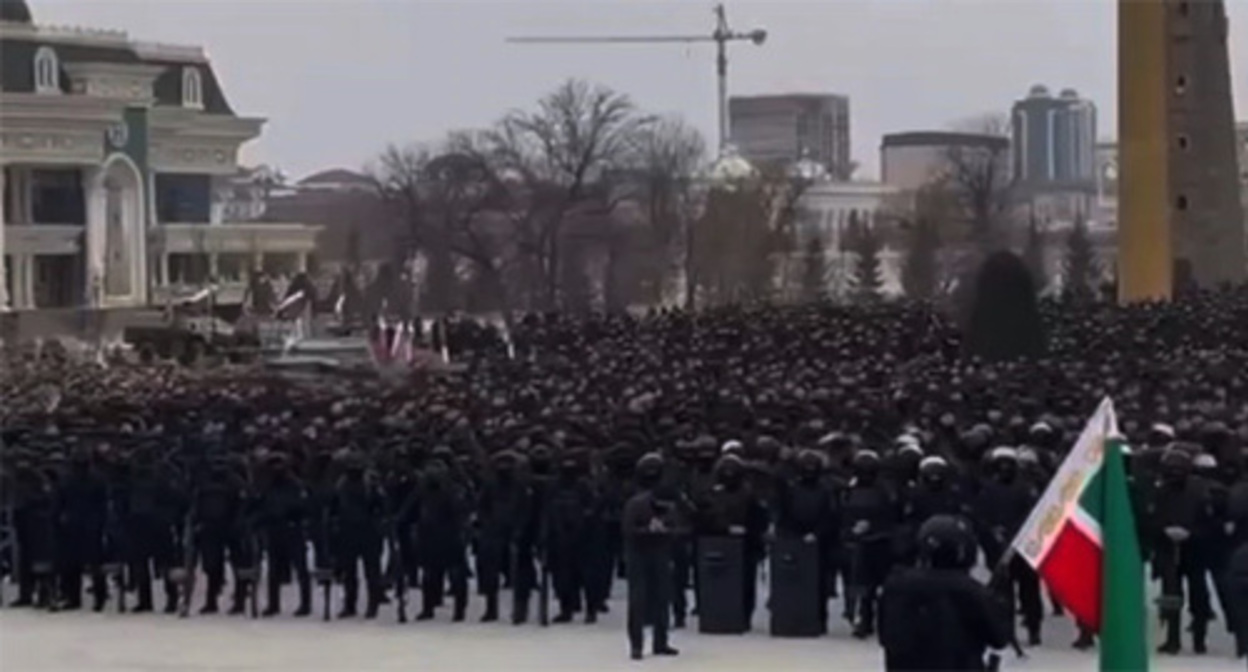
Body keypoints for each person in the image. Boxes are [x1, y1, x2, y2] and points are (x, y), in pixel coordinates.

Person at [879, 514, 1011, 671]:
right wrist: (1000, 595)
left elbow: (885, 636)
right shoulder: (969, 591)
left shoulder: (896, 586)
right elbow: (999, 637)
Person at [622, 453, 682, 661]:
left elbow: (676, 528)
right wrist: (649, 530)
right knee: (639, 599)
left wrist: (664, 530)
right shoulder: (635, 504)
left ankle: (660, 641)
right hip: (639, 554)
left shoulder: (668, 503)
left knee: (662, 598)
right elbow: (628, 531)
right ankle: (637, 645)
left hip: (659, 553)